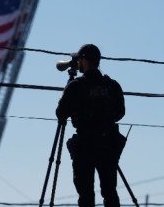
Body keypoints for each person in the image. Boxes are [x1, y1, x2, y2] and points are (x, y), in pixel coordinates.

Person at [56, 44, 125, 207]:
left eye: (79, 59)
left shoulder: (76, 86)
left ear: (84, 60)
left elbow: (61, 114)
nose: (78, 63)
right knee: (110, 191)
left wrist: (65, 96)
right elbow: (120, 113)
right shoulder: (112, 86)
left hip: (85, 145)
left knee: (86, 193)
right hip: (108, 144)